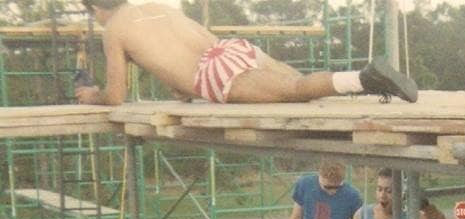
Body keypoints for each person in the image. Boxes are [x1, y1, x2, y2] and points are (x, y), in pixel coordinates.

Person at [75, 1, 417, 106]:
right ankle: (361, 78)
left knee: (295, 93)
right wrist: (180, 90)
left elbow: (117, 96)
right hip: (228, 49)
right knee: (296, 82)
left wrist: (92, 96)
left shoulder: (114, 29)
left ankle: (365, 78)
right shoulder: (154, 6)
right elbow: (175, 58)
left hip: (212, 75)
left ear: (93, 7)